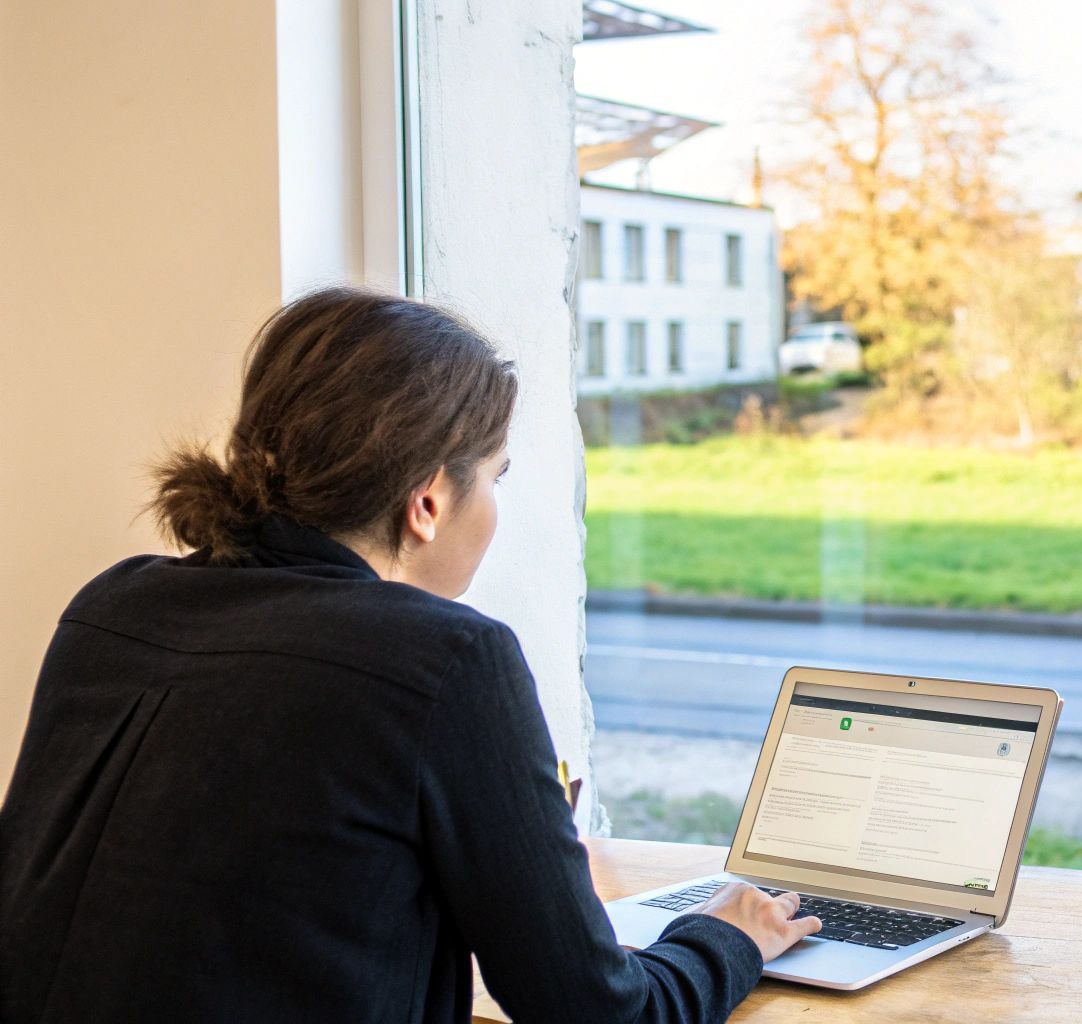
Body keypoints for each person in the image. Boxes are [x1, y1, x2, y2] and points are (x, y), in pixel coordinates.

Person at [0, 287, 818, 1023]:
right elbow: (600, 1014)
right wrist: (727, 936)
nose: (494, 505)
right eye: (494, 477)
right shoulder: (446, 659)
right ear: (427, 501)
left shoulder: (114, 606)